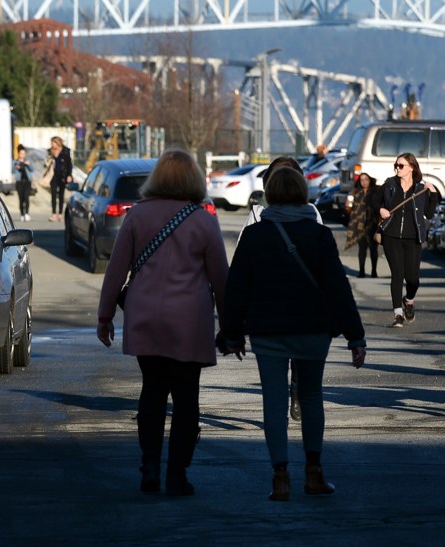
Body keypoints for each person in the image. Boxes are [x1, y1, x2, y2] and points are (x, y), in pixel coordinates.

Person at [224, 166, 367, 502]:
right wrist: (355, 336)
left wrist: (232, 333)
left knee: (273, 401)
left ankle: (280, 478)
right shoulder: (318, 235)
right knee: (312, 396)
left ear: (270, 195)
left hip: (268, 331)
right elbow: (337, 288)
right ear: (304, 193)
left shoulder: (255, 235)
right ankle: (314, 474)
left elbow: (236, 288)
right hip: (313, 329)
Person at [96, 149, 230, 497]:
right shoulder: (203, 220)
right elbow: (220, 279)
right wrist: (231, 326)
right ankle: (177, 474)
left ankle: (150, 467)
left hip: (146, 318)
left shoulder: (137, 216)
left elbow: (116, 270)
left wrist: (105, 315)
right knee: (187, 400)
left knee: (152, 392)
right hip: (190, 321)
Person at [239, 156, 322, 422]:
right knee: (284, 366)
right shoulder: (256, 214)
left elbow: (325, 267)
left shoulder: (312, 213)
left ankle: (295, 396)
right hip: (277, 309)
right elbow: (242, 265)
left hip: (289, 309)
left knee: (295, 364)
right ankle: (304, 457)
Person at [371, 153, 440, 328]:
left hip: (412, 238)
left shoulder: (420, 189)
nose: (397, 168)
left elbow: (429, 214)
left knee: (413, 279)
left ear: (411, 167)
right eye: (396, 165)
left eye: (401, 165)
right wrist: (380, 210)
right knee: (397, 274)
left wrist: (433, 194)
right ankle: (398, 315)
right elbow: (373, 201)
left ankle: (408, 300)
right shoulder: (389, 184)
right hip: (391, 235)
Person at [344, 172, 380, 278]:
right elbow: (349, 210)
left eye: (366, 180)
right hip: (359, 225)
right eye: (362, 180)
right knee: (362, 248)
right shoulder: (355, 193)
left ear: (370, 180)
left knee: (373, 249)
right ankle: (361, 271)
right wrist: (347, 207)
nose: (364, 182)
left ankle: (374, 271)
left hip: (372, 223)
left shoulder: (375, 192)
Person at [48, 136, 73, 222]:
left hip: (63, 175)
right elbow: (47, 163)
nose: (52, 145)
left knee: (61, 195)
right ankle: (53, 214)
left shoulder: (65, 151)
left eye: (53, 143)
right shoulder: (50, 151)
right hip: (53, 176)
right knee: (53, 194)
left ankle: (60, 214)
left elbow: (69, 164)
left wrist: (69, 175)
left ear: (57, 143)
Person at [13, 144, 33, 222]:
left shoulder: (28, 161)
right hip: (19, 182)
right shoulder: (15, 162)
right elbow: (12, 170)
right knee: (21, 198)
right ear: (18, 154)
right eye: (21, 153)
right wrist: (16, 166)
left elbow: (32, 169)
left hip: (27, 182)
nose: (22, 155)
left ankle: (27, 213)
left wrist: (28, 164)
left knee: (26, 197)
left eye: (24, 154)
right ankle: (22, 214)